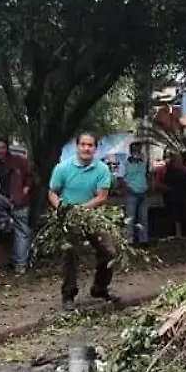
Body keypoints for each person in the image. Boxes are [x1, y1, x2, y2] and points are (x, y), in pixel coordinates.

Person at [50, 132, 119, 311]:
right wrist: (61, 209)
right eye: (83, 145)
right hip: (69, 217)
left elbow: (102, 197)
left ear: (95, 149)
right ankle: (68, 295)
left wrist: (81, 210)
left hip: (92, 216)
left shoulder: (102, 169)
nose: (86, 148)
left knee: (109, 251)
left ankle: (100, 288)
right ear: (77, 146)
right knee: (70, 253)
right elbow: (52, 192)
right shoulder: (62, 168)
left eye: (90, 145)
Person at [0, 139, 33, 274]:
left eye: (3, 147)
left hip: (19, 201)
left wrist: (25, 190)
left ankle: (20, 264)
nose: (0, 151)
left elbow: (30, 177)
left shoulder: (19, 161)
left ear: (7, 148)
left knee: (22, 232)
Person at [122, 142, 150, 246]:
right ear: (131, 151)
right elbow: (121, 178)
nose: (137, 151)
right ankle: (129, 241)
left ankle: (144, 240)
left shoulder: (144, 162)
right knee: (130, 218)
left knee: (144, 218)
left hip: (143, 192)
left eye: (138, 149)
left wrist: (148, 186)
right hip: (131, 193)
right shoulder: (126, 163)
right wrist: (127, 189)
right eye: (135, 149)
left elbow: (147, 174)